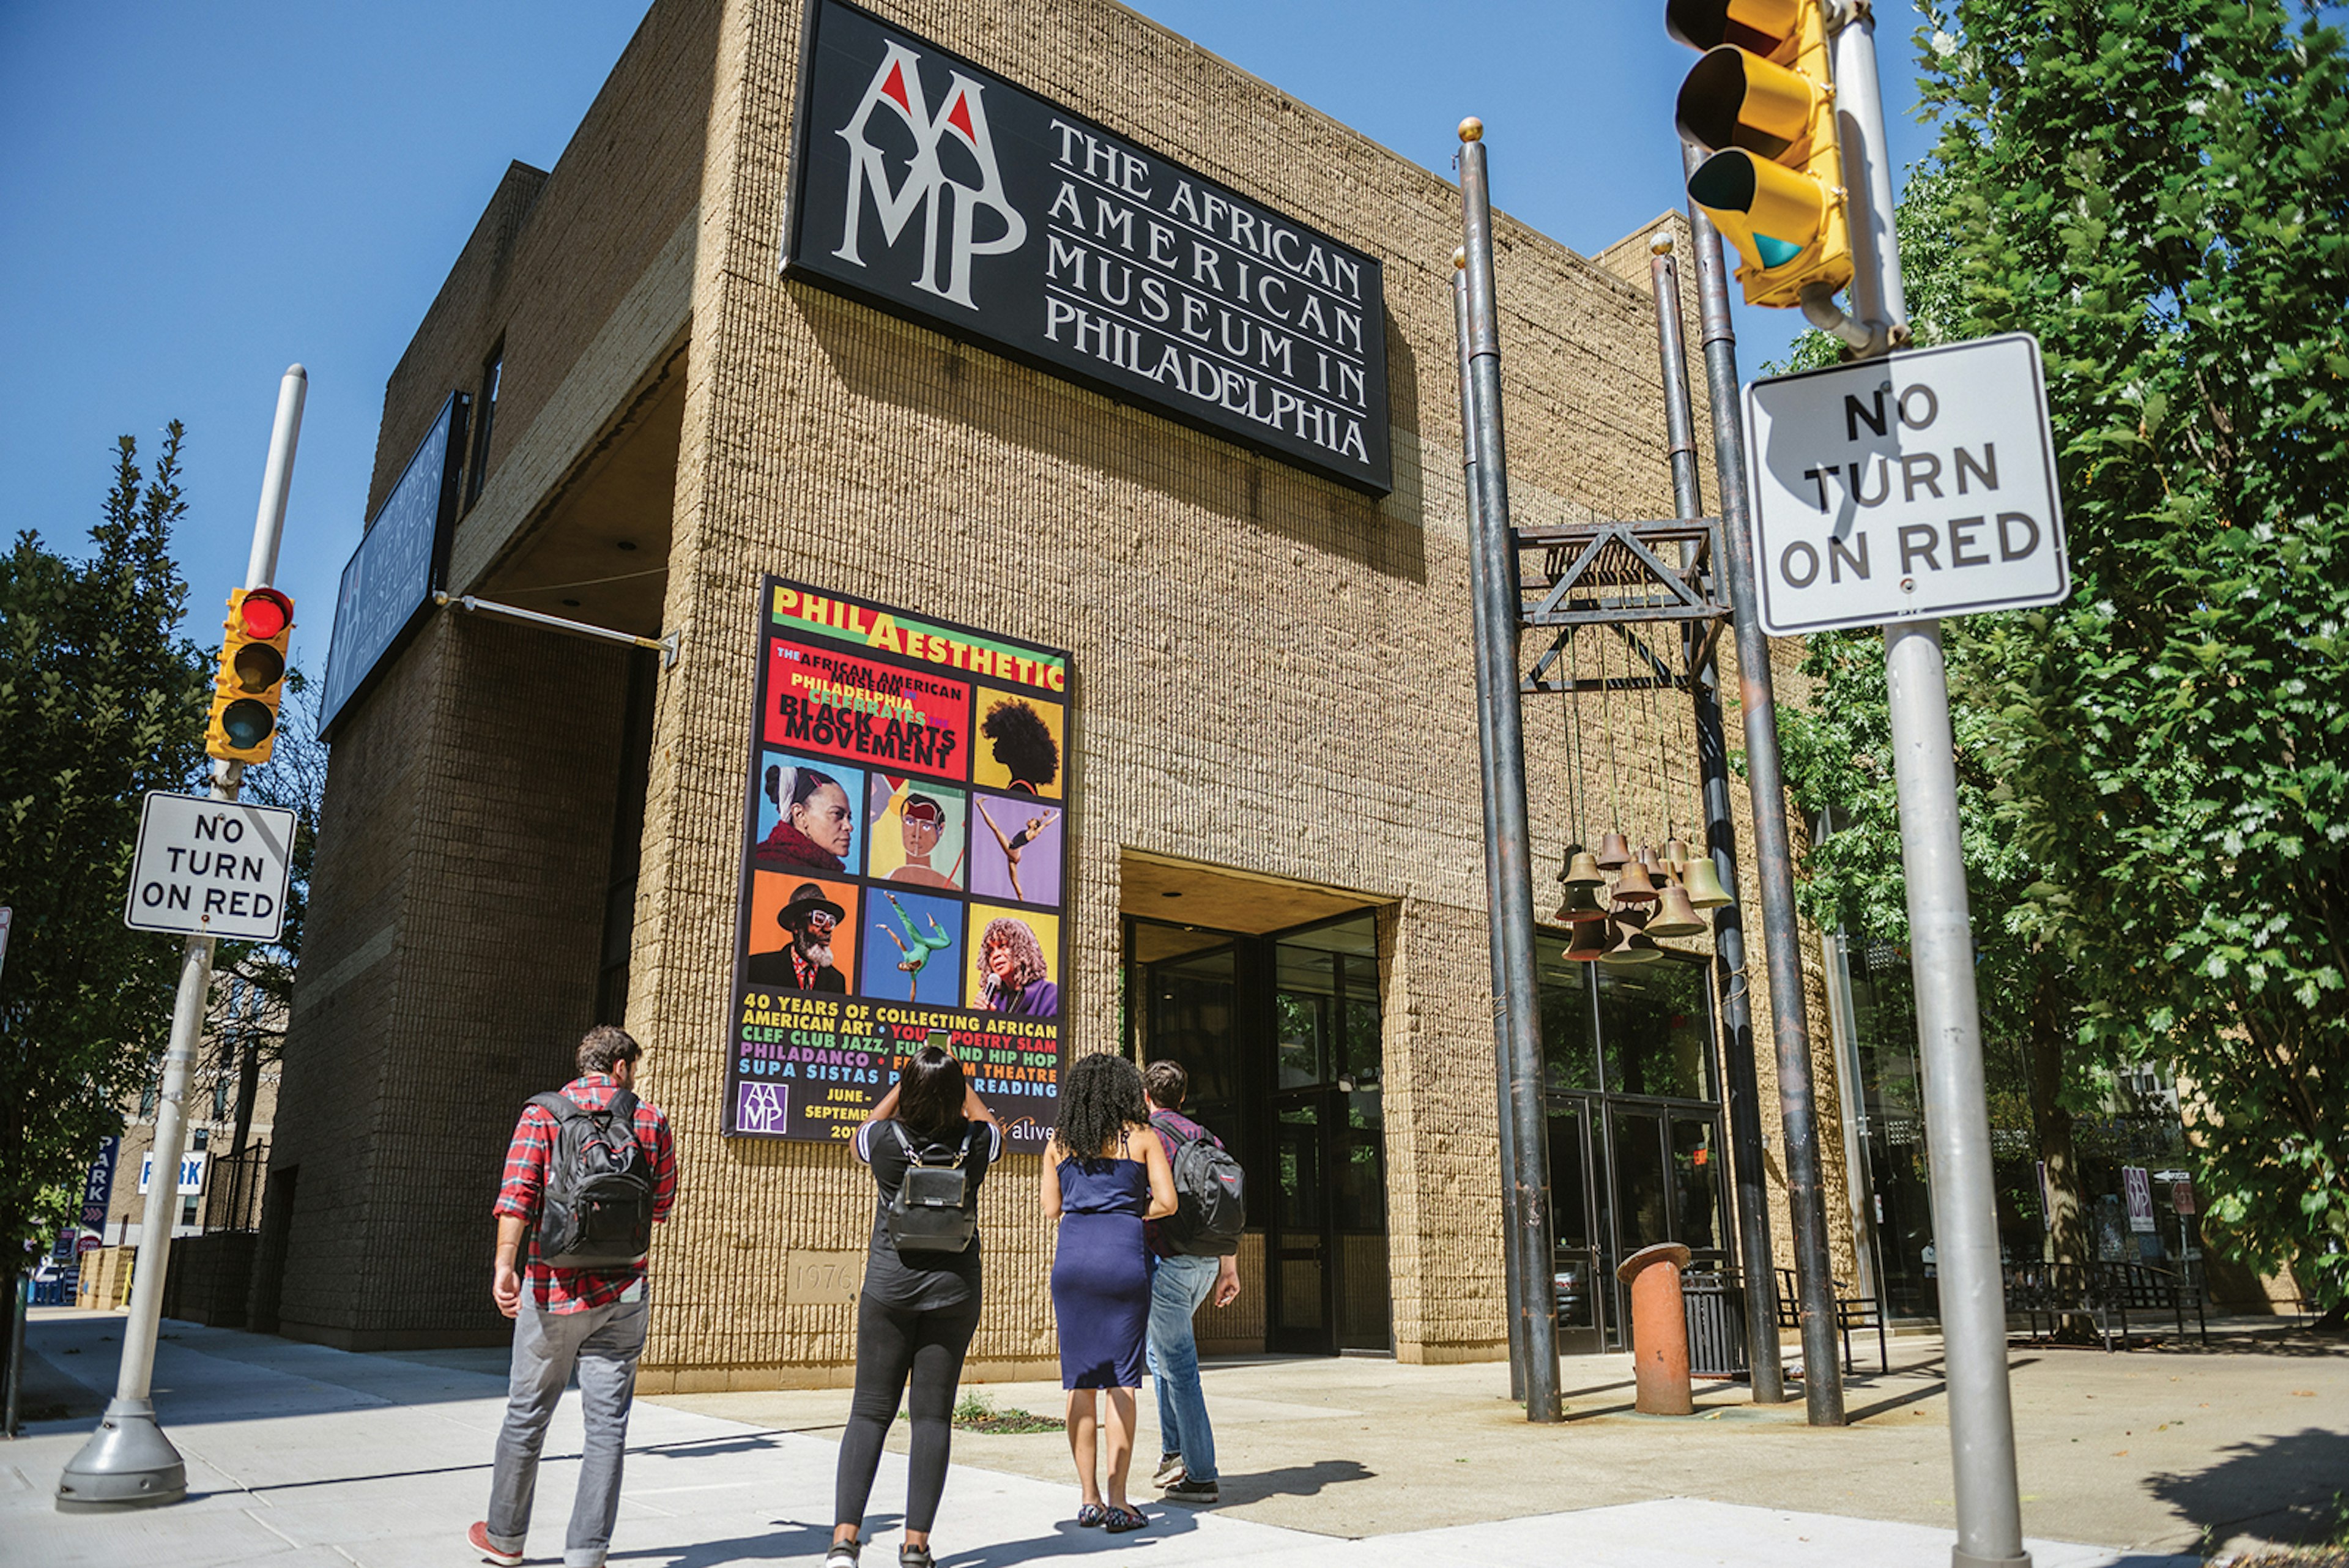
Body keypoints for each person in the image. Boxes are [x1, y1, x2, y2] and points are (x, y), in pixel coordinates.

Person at [469, 1026, 678, 1568]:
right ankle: (587, 1554)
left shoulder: (543, 1113)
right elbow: (661, 1206)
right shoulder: (650, 1119)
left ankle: (505, 1539)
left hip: (551, 1287)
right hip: (625, 1291)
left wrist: (504, 1265)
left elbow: (517, 1195)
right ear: (622, 1066)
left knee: (526, 1414)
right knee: (607, 1425)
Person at [829, 1044, 1003, 1568]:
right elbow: (987, 1119)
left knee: (869, 1410)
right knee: (932, 1417)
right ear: (954, 1095)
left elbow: (865, 1127)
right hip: (954, 1290)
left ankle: (844, 1542)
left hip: (889, 1287)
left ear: (908, 1092)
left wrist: (906, 1087)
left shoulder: (883, 1141)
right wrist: (954, 1078)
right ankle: (915, 1545)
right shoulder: (975, 1143)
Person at [1041, 1052, 1176, 1533]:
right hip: (1121, 1256)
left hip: (1074, 1259)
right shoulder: (1142, 1137)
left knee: (1080, 1382)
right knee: (1122, 1379)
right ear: (1124, 1089)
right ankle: (1120, 1500)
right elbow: (1167, 1200)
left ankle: (1089, 1498)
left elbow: (1050, 1208)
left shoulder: (1058, 1143)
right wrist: (1129, 1212)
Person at [1141, 1059, 1241, 1505]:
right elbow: (1220, 1206)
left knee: (1179, 1367)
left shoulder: (1148, 1136)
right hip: (1205, 1262)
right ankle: (1175, 1453)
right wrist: (1229, 1267)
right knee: (1159, 1355)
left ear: (1147, 1095)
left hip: (1170, 1263)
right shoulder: (1208, 1138)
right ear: (1182, 1097)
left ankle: (1201, 1474)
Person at [746, 883, 847, 992]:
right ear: (795, 925)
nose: (828, 929)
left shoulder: (836, 981)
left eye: (831, 921)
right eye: (819, 919)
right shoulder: (758, 968)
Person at [757, 764, 856, 872]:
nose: (849, 827)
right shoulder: (768, 862)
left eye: (849, 818)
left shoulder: (825, 868)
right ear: (800, 815)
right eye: (837, 814)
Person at [974, 799, 1058, 904]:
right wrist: (1043, 817)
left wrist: (1056, 816)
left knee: (996, 829)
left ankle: (979, 805)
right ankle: (1022, 902)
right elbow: (1038, 824)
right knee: (1015, 882)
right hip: (1013, 855)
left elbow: (1043, 826)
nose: (1029, 819)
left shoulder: (1032, 834)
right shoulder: (1030, 831)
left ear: (1034, 826)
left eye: (1032, 820)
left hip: (1013, 851)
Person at [974, 916, 1057, 1016]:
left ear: (1021, 948)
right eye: (990, 951)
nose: (995, 955)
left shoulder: (1051, 995)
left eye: (1002, 946)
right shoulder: (995, 1000)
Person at [980, 699, 1059, 795]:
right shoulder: (1024, 785)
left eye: (1000, 739)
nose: (995, 744)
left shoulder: (1020, 788)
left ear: (1012, 745)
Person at [887, 793, 960, 889]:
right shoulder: (887, 878)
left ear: (941, 829)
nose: (916, 833)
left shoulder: (952, 888)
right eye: (910, 822)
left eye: (926, 826)